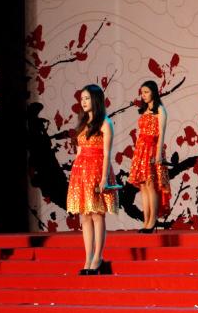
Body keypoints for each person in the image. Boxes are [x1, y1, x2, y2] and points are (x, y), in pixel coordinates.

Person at [66, 84, 117, 274]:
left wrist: (104, 178)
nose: (83, 102)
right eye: (82, 99)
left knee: (97, 214)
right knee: (85, 216)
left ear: (95, 100)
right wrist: (75, 175)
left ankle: (98, 258)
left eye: (87, 98)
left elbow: (107, 154)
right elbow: (79, 152)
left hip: (97, 170)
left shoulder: (105, 123)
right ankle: (88, 258)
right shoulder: (82, 123)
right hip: (81, 172)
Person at [127, 80, 172, 233]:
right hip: (141, 150)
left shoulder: (160, 110)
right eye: (142, 92)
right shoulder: (144, 110)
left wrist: (158, 154)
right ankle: (146, 221)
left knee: (151, 185)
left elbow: (161, 135)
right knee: (143, 186)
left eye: (146, 92)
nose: (143, 95)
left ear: (153, 92)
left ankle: (152, 221)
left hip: (153, 149)